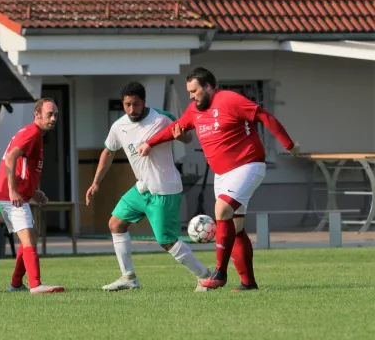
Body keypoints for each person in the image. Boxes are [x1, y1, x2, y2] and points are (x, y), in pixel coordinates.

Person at [138, 67, 300, 292]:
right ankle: (248, 283)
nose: (191, 96)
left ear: (208, 87)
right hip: (222, 175)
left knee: (222, 209)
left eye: (194, 91)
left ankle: (219, 274)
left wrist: (288, 144)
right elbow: (176, 128)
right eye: (189, 92)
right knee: (236, 227)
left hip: (248, 165)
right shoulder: (194, 110)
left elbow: (264, 116)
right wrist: (150, 143)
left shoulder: (230, 100)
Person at [86, 81, 212, 292]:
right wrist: (95, 182)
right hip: (142, 188)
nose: (131, 109)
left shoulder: (162, 118)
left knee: (167, 241)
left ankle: (205, 276)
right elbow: (108, 152)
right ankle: (128, 278)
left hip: (164, 188)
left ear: (144, 101)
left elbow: (187, 137)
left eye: (135, 104)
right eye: (127, 105)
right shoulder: (119, 126)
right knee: (116, 224)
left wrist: (181, 136)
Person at [0, 98, 64, 294]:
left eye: (56, 115)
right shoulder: (32, 133)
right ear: (37, 114)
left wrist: (33, 191)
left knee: (32, 235)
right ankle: (36, 284)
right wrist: (13, 190)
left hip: (14, 193)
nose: (53, 118)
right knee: (29, 239)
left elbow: (21, 167)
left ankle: (16, 284)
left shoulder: (34, 134)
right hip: (10, 194)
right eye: (49, 114)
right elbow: (11, 158)